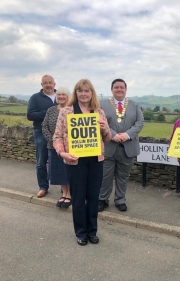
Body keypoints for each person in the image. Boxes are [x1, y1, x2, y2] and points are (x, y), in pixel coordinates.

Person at [53, 79, 111, 246]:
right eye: (80, 91)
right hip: (74, 161)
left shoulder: (98, 112)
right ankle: (81, 232)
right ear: (76, 93)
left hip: (95, 161)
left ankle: (92, 231)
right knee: (78, 199)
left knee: (93, 198)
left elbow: (107, 139)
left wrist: (104, 129)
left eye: (87, 91)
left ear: (91, 93)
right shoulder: (66, 112)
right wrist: (63, 153)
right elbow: (57, 137)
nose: (84, 94)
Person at [98, 79, 144, 212]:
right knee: (105, 175)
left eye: (122, 87)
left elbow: (140, 123)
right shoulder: (102, 104)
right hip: (108, 146)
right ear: (111, 89)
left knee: (123, 176)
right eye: (116, 87)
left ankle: (120, 200)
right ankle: (102, 199)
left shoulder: (135, 105)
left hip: (128, 146)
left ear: (126, 89)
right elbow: (100, 122)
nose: (119, 89)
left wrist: (127, 135)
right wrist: (113, 135)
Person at [27, 75, 57, 198]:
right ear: (42, 85)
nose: (48, 85)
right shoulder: (35, 97)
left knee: (64, 160)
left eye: (50, 82)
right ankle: (43, 187)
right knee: (41, 161)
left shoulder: (61, 95)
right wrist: (48, 113)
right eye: (45, 83)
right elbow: (30, 115)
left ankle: (65, 187)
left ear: (54, 84)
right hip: (40, 132)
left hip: (60, 134)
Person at [42, 87, 71, 208]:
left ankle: (69, 195)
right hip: (53, 147)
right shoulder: (51, 110)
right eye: (59, 95)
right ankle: (64, 193)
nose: (61, 97)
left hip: (69, 148)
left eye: (64, 95)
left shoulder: (72, 110)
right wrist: (54, 141)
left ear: (68, 96)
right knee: (58, 171)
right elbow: (44, 126)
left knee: (67, 171)